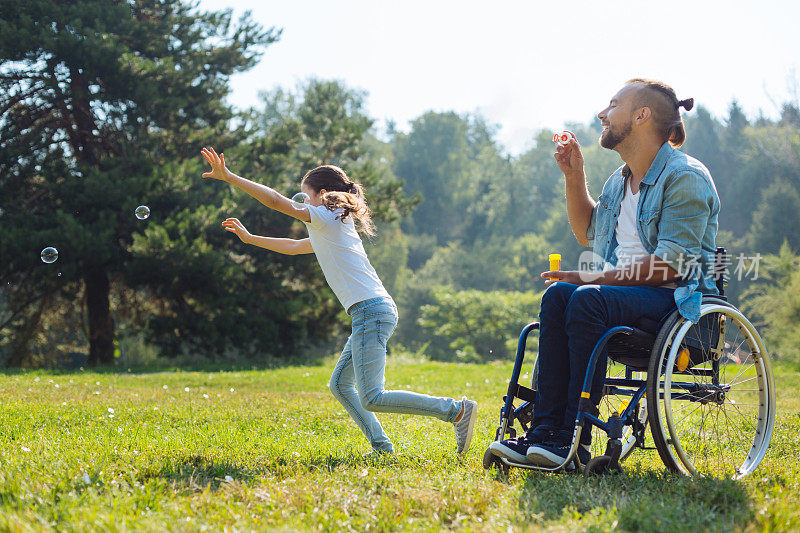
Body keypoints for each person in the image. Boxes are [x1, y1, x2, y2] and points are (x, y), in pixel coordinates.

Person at [489, 78, 720, 467]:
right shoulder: (618, 181)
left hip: (673, 301)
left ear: (641, 115)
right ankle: (545, 434)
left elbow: (671, 265)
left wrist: (593, 279)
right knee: (558, 295)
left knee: (585, 297)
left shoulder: (685, 177)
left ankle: (571, 438)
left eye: (612, 105)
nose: (602, 113)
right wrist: (574, 175)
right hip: (617, 298)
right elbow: (586, 233)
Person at [200, 147, 479, 456]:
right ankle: (382, 446)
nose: (301, 203)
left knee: (372, 396)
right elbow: (294, 247)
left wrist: (229, 177)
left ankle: (455, 411)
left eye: (305, 197)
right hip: (371, 310)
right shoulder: (331, 224)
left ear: (321, 194)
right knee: (340, 386)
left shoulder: (327, 217)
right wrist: (252, 239)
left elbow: (277, 201)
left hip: (370, 311)